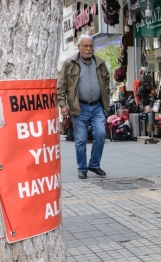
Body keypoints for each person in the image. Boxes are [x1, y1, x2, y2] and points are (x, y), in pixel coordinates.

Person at [57, 35, 110, 180]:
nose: (88, 49)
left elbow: (106, 81)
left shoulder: (99, 63)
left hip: (98, 106)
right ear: (79, 47)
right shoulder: (70, 63)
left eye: (90, 46)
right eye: (85, 46)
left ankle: (94, 164)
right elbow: (61, 86)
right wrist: (63, 105)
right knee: (80, 140)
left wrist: (107, 96)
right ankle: (82, 168)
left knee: (100, 134)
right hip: (79, 107)